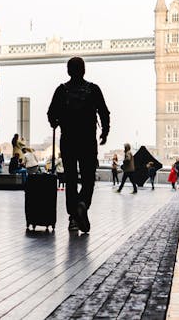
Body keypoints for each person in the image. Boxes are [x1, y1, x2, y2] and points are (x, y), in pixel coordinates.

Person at [47, 56, 110, 233]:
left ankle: (73, 217)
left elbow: (51, 114)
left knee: (71, 179)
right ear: (84, 70)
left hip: (68, 141)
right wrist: (105, 132)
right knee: (88, 178)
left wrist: (56, 121)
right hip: (88, 141)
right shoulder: (93, 89)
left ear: (68, 71)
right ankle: (83, 204)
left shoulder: (61, 90)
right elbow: (104, 112)